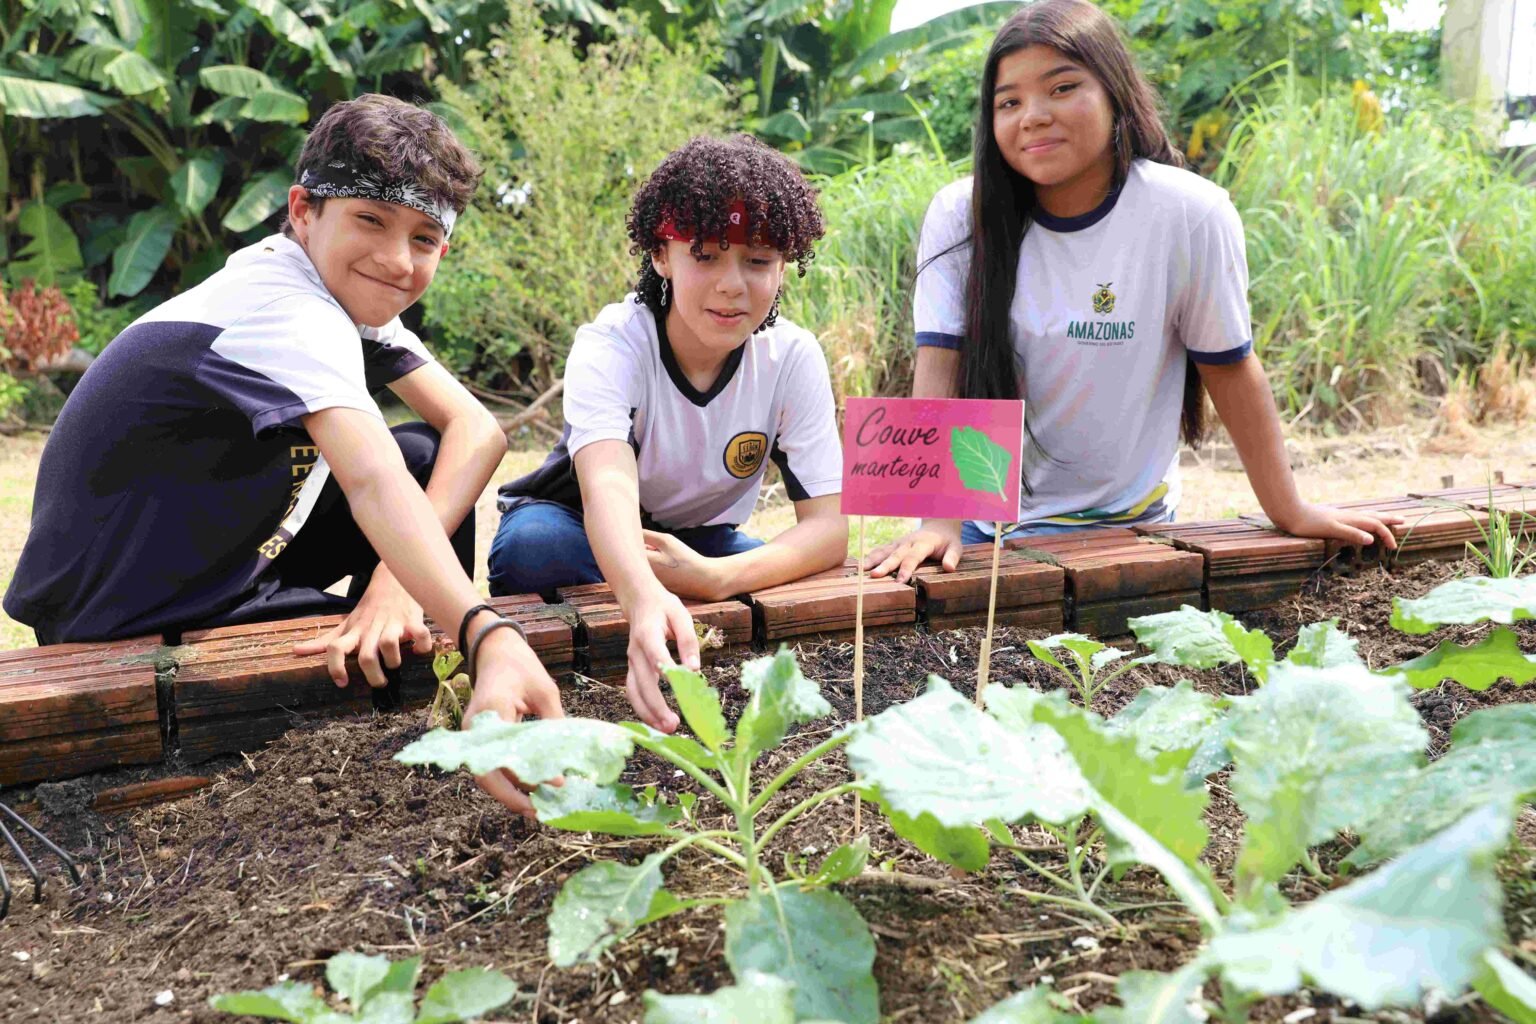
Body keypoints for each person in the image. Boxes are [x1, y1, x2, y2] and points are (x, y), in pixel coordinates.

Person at [5, 95, 559, 817]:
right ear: (303, 211)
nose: (396, 259)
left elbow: (477, 429)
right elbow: (368, 476)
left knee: (425, 452)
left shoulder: (344, 301)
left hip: (221, 559)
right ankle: (431, 694)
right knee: (403, 470)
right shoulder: (285, 306)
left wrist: (398, 583)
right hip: (128, 605)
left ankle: (422, 679)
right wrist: (487, 629)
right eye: (370, 220)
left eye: (424, 239)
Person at [864, 0, 1399, 582]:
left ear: (1115, 92)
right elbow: (941, 367)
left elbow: (1229, 367)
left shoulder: (1188, 213)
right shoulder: (959, 214)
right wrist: (936, 522)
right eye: (1008, 102)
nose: (1033, 116)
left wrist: (1288, 509)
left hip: (1129, 527)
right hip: (981, 528)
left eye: (1062, 88)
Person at [488, 134, 847, 734]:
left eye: (757, 261)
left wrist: (717, 578)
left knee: (792, 577)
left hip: (700, 546)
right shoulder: (613, 344)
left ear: (784, 267)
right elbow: (606, 486)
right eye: (705, 255)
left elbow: (831, 526)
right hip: (581, 528)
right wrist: (640, 595)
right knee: (534, 548)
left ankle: (683, 601)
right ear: (662, 256)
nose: (733, 284)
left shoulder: (792, 357)